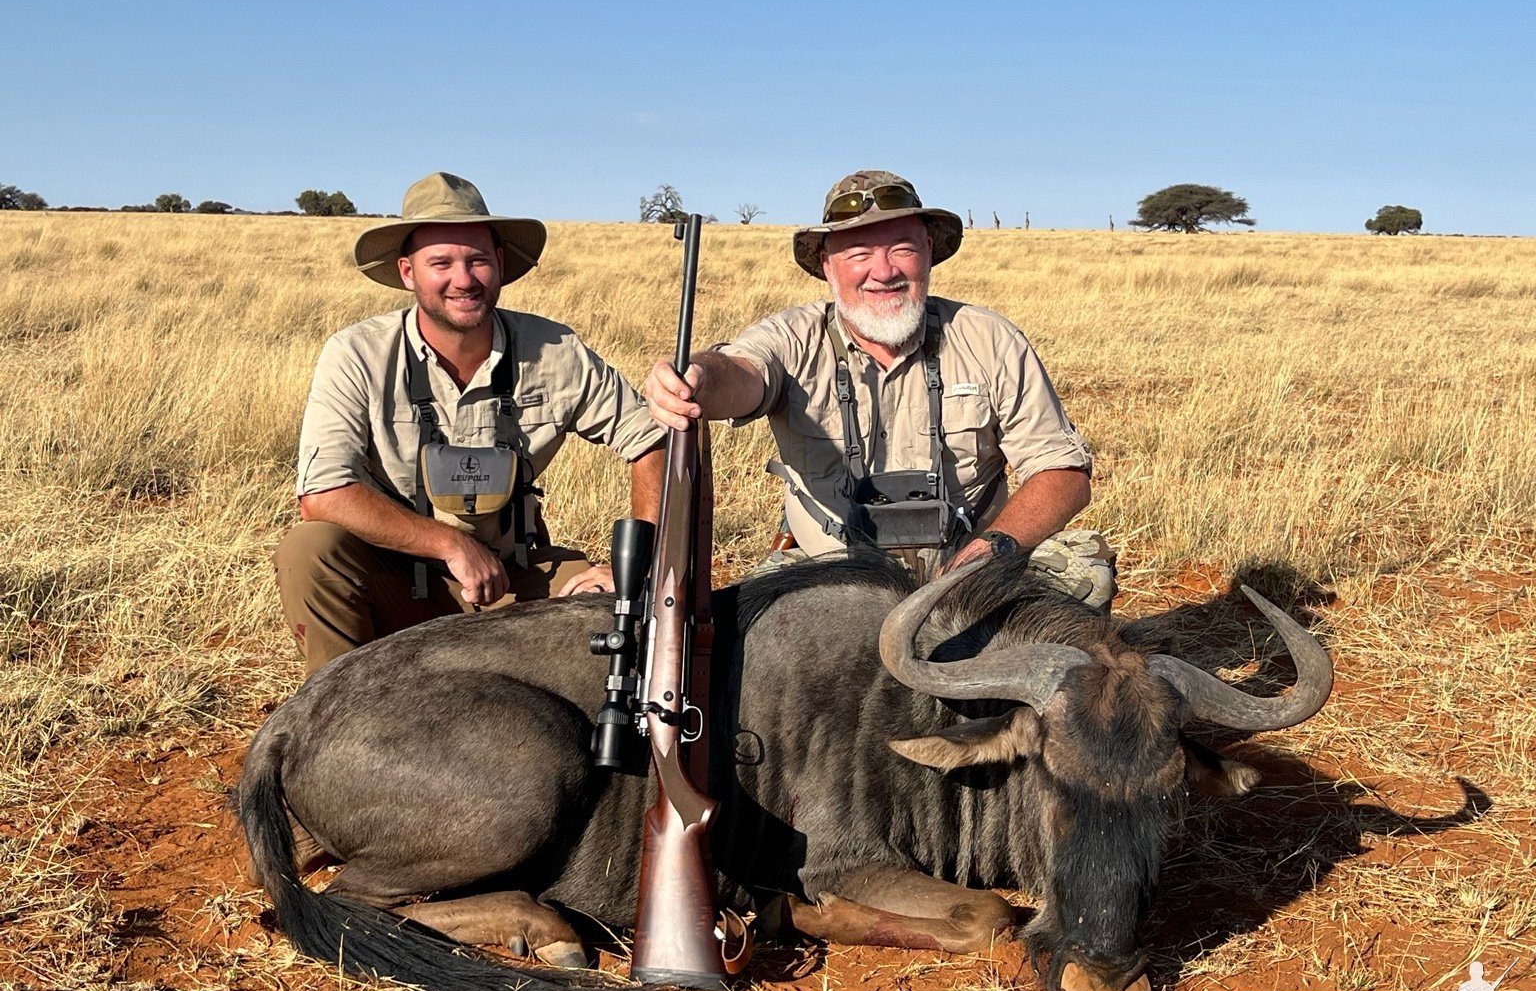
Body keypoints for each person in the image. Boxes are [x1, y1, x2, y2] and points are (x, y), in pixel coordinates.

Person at [645, 170, 1113, 601]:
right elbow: (742, 374)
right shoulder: (791, 336)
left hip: (970, 573)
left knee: (1084, 574)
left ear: (929, 251)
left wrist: (991, 551)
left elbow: (1063, 474)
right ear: (827, 265)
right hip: (826, 572)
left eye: (902, 248)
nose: (884, 271)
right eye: (859, 254)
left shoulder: (990, 338)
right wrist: (700, 378)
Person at [276, 172, 665, 675]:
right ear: (408, 272)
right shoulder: (356, 353)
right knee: (309, 550)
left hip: (515, 577)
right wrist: (451, 544)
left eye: (477, 260)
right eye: (441, 262)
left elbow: (654, 439)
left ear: (500, 264)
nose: (463, 279)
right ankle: (333, 710)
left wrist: (624, 569)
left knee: (624, 616)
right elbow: (324, 492)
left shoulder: (555, 349)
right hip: (395, 578)